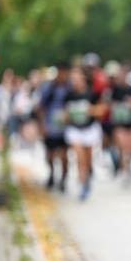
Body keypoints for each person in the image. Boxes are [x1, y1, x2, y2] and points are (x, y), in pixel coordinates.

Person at [64, 67, 104, 201]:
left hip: (89, 129)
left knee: (87, 159)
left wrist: (89, 110)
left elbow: (102, 110)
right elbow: (65, 114)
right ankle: (82, 184)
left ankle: (87, 179)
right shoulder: (69, 94)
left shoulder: (92, 93)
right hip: (75, 129)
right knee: (79, 157)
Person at [36, 64, 72, 192]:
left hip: (65, 128)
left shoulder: (70, 88)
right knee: (50, 155)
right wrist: (43, 125)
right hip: (50, 126)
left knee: (64, 155)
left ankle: (63, 178)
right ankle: (51, 174)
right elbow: (40, 107)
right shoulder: (49, 88)